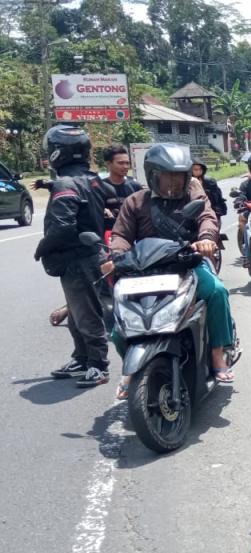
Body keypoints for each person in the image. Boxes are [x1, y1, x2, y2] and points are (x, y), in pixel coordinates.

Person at [105, 144, 237, 397]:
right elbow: (121, 235)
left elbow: (207, 218)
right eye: (168, 175)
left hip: (186, 264)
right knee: (118, 325)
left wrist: (206, 238)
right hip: (145, 271)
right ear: (153, 174)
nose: (174, 182)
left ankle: (218, 353)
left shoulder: (193, 197)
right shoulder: (136, 202)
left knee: (217, 292)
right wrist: (117, 256)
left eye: (179, 175)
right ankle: (130, 368)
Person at [33, 125, 110, 387]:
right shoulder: (93, 179)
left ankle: (98, 365)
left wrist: (42, 247)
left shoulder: (66, 184)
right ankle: (82, 358)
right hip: (90, 254)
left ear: (58, 153)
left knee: (87, 313)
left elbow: (63, 226)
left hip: (78, 259)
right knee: (77, 312)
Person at [102, 145, 144, 228]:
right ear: (108, 164)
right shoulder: (99, 187)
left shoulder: (135, 187)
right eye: (120, 163)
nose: (125, 167)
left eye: (127, 163)